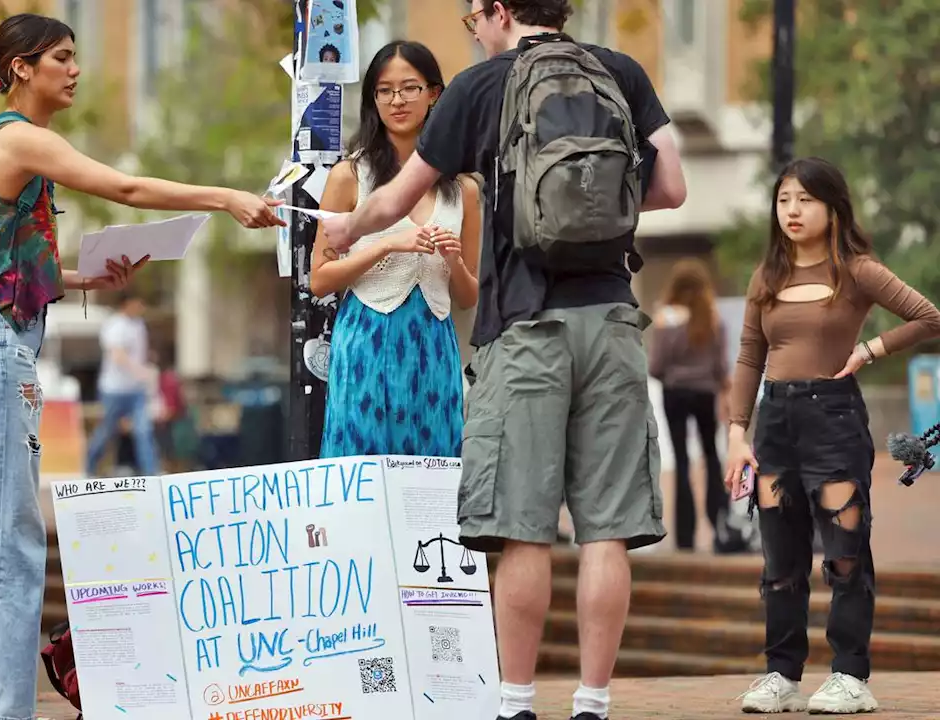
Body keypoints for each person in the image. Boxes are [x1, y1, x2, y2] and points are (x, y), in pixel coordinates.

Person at [321, 2, 687, 719]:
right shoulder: (621, 71)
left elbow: (396, 195)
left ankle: (516, 701)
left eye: (473, 17)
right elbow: (672, 187)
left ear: (498, 11)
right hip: (612, 316)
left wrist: (347, 226)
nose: (473, 30)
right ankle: (592, 702)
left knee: (523, 526)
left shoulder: (478, 87)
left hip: (524, 327)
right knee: (606, 528)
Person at [0, 14, 283, 720]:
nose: (76, 69)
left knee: (8, 531)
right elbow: (125, 190)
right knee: (6, 534)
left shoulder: (15, 146)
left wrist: (80, 280)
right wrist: (224, 197)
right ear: (21, 68)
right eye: (62, 58)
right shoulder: (19, 138)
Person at [725, 157, 940, 714]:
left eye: (805, 200)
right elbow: (750, 356)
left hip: (834, 420)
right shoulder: (766, 276)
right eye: (783, 200)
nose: (792, 211)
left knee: (845, 554)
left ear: (832, 207)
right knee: (780, 561)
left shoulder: (857, 271)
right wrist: (735, 432)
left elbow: (930, 317)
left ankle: (849, 675)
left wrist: (872, 349)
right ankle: (782, 675)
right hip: (775, 424)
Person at [311, 40, 478, 458]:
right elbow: (319, 279)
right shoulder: (350, 176)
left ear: (434, 94)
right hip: (366, 339)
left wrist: (453, 259)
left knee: (434, 469)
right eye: (384, 91)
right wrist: (387, 244)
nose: (397, 100)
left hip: (435, 344)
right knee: (363, 465)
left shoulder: (464, 189)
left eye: (409, 88)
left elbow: (469, 296)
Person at [648, 258, 731, 552]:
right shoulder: (712, 316)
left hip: (675, 394)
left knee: (681, 461)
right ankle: (720, 525)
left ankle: (685, 537)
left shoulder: (665, 316)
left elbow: (655, 365)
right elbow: (722, 366)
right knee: (711, 457)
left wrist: (671, 375)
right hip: (706, 393)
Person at [84, 293, 159, 477]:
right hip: (114, 389)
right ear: (127, 303)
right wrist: (137, 370)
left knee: (143, 431)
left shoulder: (139, 325)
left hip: (136, 390)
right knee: (107, 431)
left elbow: (140, 353)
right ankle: (89, 466)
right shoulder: (115, 325)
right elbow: (117, 354)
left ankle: (151, 474)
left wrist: (147, 368)